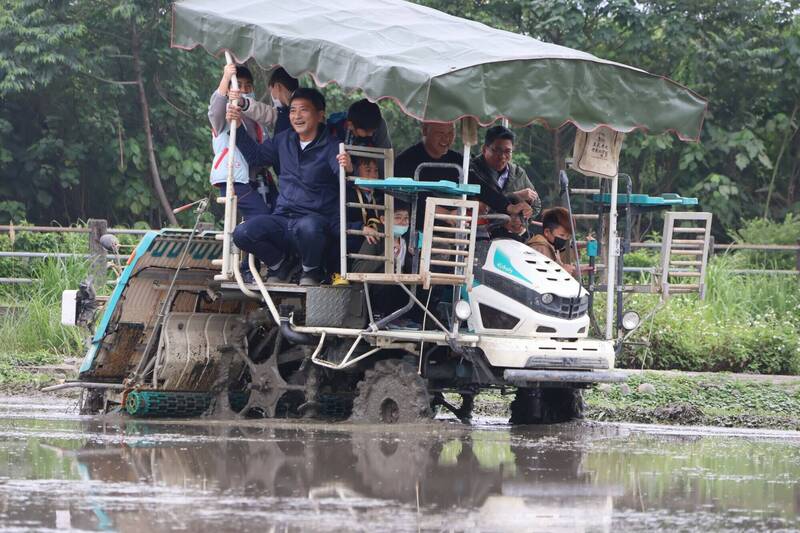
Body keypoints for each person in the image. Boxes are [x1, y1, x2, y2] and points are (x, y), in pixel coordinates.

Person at [227, 88, 353, 286]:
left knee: (309, 227)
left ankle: (312, 270)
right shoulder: (283, 139)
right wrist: (237, 125)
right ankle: (280, 264)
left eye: (304, 110)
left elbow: (344, 179)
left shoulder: (332, 146)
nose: (297, 116)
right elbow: (256, 158)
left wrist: (348, 168)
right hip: (283, 220)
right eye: (293, 110)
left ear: (320, 116)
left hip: (316, 224)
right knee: (242, 233)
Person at [469, 125, 536, 238]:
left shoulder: (518, 173)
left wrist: (524, 215)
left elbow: (536, 205)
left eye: (507, 151)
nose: (502, 156)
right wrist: (514, 196)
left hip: (511, 236)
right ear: (485, 149)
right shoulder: (471, 171)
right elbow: (485, 200)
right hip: (477, 234)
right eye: (497, 151)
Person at [351, 202, 413, 318]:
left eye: (406, 218)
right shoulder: (376, 238)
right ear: (384, 220)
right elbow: (357, 268)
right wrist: (386, 255)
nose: (403, 222)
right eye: (398, 218)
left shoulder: (408, 241)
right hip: (375, 296)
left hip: (401, 294)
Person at [231, 67, 299, 137]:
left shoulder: (287, 112)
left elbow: (265, 112)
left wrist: (243, 103)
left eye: (271, 90)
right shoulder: (285, 111)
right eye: (238, 86)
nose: (244, 90)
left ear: (277, 87)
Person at [527, 207, 577, 277]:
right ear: (547, 232)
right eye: (562, 235)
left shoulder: (552, 246)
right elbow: (538, 275)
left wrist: (576, 271)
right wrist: (562, 271)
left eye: (568, 236)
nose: (565, 239)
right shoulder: (540, 247)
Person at [328, 98, 392, 149]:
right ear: (350, 125)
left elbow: (385, 154)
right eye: (367, 131)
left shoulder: (378, 124)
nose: (370, 134)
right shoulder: (335, 127)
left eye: (373, 131)